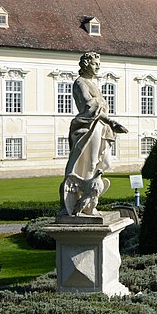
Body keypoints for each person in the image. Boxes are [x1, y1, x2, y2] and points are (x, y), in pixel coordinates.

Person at [59, 52, 128, 217]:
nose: (98, 66)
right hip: (87, 127)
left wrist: (109, 122)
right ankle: (83, 204)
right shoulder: (80, 83)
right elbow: (89, 106)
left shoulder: (92, 84)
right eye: (95, 63)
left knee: (97, 163)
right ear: (85, 64)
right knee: (89, 164)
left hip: (98, 126)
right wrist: (110, 121)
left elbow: (97, 107)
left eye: (99, 64)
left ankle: (88, 201)